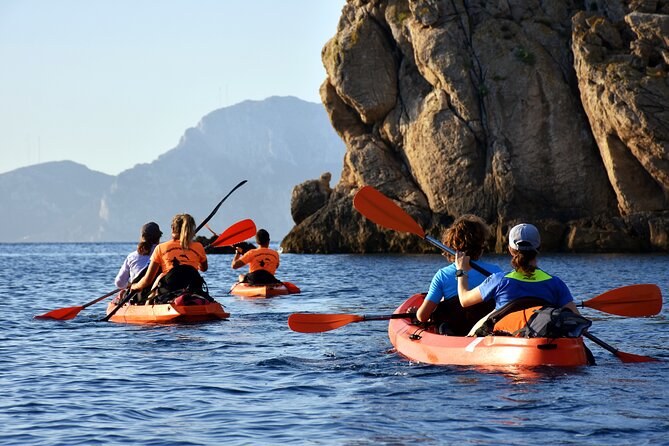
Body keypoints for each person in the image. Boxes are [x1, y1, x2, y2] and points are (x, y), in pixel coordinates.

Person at [454, 223, 580, 334]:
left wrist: (461, 270)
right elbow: (577, 321)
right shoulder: (556, 283)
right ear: (539, 248)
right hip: (540, 337)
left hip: (507, 339)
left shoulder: (499, 280)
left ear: (510, 250)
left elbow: (464, 300)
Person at [412, 215, 502, 335]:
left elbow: (422, 316)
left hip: (454, 335)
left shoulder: (442, 276)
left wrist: (415, 313)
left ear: (452, 245)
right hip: (483, 334)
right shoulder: (496, 273)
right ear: (481, 245)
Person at [131, 213, 208, 299]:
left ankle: (148, 303)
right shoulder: (199, 246)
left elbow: (147, 280)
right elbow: (203, 268)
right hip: (193, 287)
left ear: (173, 229)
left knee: (160, 276)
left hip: (169, 289)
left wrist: (135, 286)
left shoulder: (160, 248)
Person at [114, 222, 162, 289]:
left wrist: (129, 285)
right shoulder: (164, 255)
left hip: (137, 294)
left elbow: (119, 283)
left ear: (142, 237)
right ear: (159, 237)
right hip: (157, 293)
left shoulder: (132, 257)